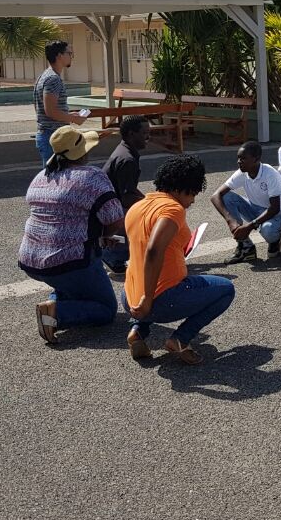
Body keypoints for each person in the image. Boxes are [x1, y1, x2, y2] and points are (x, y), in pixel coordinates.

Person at [123, 155, 235, 365]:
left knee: (181, 282)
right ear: (183, 187)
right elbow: (154, 250)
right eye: (193, 193)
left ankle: (138, 330)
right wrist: (147, 299)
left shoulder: (138, 207)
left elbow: (145, 247)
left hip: (129, 298)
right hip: (160, 301)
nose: (193, 200)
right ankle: (180, 339)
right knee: (226, 289)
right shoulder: (172, 209)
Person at [18, 126, 125, 345]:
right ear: (82, 152)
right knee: (106, 310)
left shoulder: (42, 175)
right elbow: (115, 219)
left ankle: (54, 304)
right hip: (71, 260)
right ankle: (57, 314)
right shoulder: (92, 176)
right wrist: (104, 238)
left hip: (31, 258)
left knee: (70, 284)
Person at [211, 140, 281, 263]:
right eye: (238, 158)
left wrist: (250, 226)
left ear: (256, 159)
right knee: (226, 197)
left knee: (268, 230)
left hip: (278, 215)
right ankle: (246, 247)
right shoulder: (242, 173)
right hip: (255, 209)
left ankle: (274, 241)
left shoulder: (270, 174)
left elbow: (274, 208)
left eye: (243, 158)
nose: (239, 162)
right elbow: (215, 195)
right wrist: (231, 221)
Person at [101, 115, 151, 273]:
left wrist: (147, 199)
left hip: (111, 201)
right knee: (146, 219)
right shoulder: (127, 159)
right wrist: (150, 207)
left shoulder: (125, 150)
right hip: (109, 206)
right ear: (131, 134)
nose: (148, 137)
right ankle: (111, 254)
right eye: (144, 133)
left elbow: (129, 188)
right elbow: (127, 199)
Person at [34, 41, 87, 164]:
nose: (71, 57)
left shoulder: (45, 76)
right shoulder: (53, 79)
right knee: (55, 179)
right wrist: (73, 119)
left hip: (48, 134)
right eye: (69, 53)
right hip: (52, 136)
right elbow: (50, 111)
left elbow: (42, 108)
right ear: (59, 56)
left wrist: (68, 115)